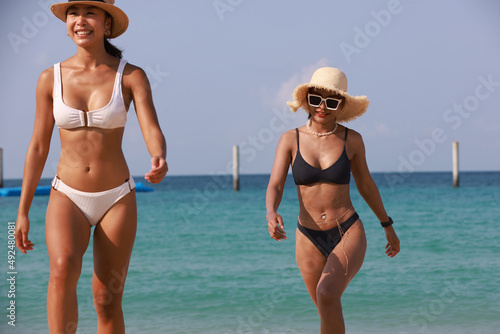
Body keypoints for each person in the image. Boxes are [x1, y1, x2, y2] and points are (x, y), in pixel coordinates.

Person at [14, 1, 168, 333]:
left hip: (116, 197)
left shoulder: (130, 75)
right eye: (74, 13)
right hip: (66, 194)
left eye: (90, 12)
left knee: (106, 299)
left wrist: (159, 156)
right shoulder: (49, 79)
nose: (80, 20)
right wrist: (23, 210)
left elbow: (151, 128)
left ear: (107, 25)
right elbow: (38, 146)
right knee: (61, 269)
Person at [266, 67, 400, 333]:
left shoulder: (352, 140)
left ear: (341, 106)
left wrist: (387, 225)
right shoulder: (289, 140)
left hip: (347, 229)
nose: (322, 108)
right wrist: (271, 212)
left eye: (331, 101)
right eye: (316, 99)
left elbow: (366, 185)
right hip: (307, 236)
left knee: (327, 295)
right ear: (308, 100)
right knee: (325, 308)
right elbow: (275, 183)